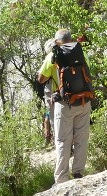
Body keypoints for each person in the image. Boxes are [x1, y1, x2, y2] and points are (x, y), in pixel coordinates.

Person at [38, 28, 92, 183]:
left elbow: (41, 79)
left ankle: (61, 179)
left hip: (64, 104)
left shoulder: (53, 55)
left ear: (57, 41)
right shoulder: (81, 52)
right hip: (83, 101)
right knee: (81, 138)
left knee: (63, 140)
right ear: (71, 39)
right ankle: (78, 174)